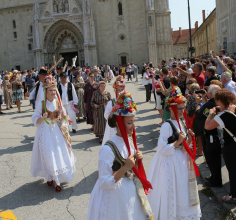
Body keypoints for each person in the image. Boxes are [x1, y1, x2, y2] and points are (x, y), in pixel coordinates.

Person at [86, 92, 153, 220]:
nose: (133, 127)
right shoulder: (107, 149)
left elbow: (133, 169)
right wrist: (125, 168)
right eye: (129, 123)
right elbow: (104, 183)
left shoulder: (130, 142)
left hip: (129, 192)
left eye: (133, 122)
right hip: (114, 196)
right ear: (119, 123)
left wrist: (138, 161)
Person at [147, 86, 201, 219]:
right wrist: (177, 142)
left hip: (180, 160)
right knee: (173, 188)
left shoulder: (181, 121)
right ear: (171, 108)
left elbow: (183, 146)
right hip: (170, 162)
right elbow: (161, 149)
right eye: (179, 108)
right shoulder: (167, 125)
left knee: (182, 188)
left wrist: (188, 140)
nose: (183, 111)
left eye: (183, 108)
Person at [30, 75, 76, 192]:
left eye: (54, 90)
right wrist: (42, 117)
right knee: (48, 153)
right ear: (45, 91)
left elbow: (63, 117)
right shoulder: (41, 104)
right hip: (45, 131)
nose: (53, 92)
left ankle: (57, 180)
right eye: (50, 90)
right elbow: (35, 119)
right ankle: (50, 176)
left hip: (56, 131)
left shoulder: (57, 102)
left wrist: (61, 116)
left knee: (59, 152)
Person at [205, 89, 236, 204]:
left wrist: (211, 113)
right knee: (235, 167)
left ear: (218, 100)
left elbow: (207, 126)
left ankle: (233, 196)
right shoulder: (234, 108)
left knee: (231, 171)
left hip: (229, 146)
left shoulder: (222, 115)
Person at [195, 85, 222, 187]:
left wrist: (198, 104)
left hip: (209, 134)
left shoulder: (210, 104)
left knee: (211, 158)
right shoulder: (216, 102)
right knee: (213, 159)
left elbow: (198, 114)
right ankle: (214, 177)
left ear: (211, 93)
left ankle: (216, 180)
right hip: (214, 134)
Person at [102, 76, 126, 145]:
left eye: (122, 89)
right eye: (118, 90)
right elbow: (106, 115)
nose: (120, 92)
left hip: (123, 125)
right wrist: (114, 111)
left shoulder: (126, 101)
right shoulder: (111, 102)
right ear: (115, 90)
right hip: (113, 127)